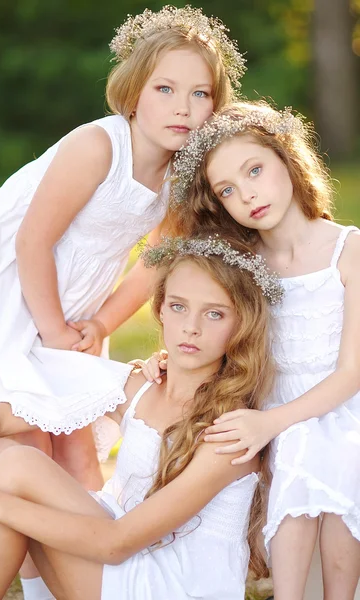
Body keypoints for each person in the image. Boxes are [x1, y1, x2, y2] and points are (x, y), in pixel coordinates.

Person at [0, 6, 245, 492]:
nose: (183, 107)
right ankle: (19, 542)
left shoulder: (180, 176)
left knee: (74, 437)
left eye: (200, 94)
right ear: (133, 94)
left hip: (76, 304)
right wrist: (53, 331)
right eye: (165, 89)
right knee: (31, 435)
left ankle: (87, 556)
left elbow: (155, 263)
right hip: (12, 289)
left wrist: (99, 325)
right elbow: (32, 240)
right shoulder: (99, 147)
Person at [0, 236, 279, 600]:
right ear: (159, 310)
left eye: (214, 313)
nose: (191, 327)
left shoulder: (230, 433)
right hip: (124, 559)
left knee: (15, 470)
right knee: (4, 455)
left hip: (168, 586)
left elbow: (115, 545)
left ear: (242, 324)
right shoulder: (139, 386)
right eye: (178, 307)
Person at [163, 101, 360, 600]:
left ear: (288, 160)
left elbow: (353, 372)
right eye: (227, 189)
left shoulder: (348, 250)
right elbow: (216, 331)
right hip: (269, 409)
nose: (247, 194)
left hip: (343, 407)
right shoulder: (244, 265)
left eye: (255, 170)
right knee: (301, 442)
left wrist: (276, 424)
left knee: (319, 442)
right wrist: (172, 360)